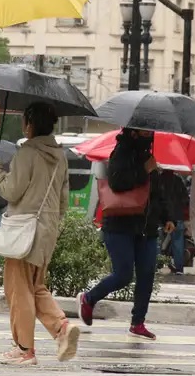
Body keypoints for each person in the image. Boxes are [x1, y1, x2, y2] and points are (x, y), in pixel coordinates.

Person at [0, 102, 80, 366]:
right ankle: (61, 327)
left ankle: (24, 349)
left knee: (18, 289)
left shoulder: (27, 153)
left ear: (29, 123)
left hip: (24, 229)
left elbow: (10, 191)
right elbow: (63, 199)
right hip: (47, 229)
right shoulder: (60, 155)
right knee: (35, 286)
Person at [78, 128, 182, 341]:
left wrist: (168, 217)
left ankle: (138, 323)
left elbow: (156, 192)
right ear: (134, 131)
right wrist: (144, 169)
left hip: (146, 226)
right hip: (119, 225)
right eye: (144, 131)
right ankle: (89, 299)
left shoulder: (148, 156)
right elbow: (117, 183)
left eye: (150, 131)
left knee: (146, 276)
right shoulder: (121, 152)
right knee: (123, 274)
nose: (148, 134)